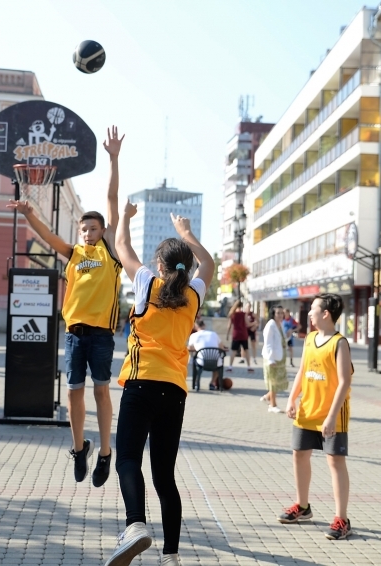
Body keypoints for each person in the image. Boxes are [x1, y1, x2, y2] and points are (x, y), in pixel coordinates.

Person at [7, 126, 124, 487]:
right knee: (73, 392)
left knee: (101, 390)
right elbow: (46, 235)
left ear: (103, 231)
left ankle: (105, 451)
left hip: (102, 336)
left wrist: (113, 158)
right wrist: (28, 214)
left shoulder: (110, 252)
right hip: (74, 335)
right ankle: (79, 449)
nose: (87, 232)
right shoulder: (73, 254)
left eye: (92, 228)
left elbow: (111, 200)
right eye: (83, 228)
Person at [103, 203, 213, 566]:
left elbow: (121, 245)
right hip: (175, 391)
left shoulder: (147, 282)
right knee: (165, 476)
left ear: (160, 266)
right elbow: (209, 264)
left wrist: (126, 219)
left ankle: (135, 525)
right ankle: (171, 557)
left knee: (128, 460)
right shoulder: (193, 295)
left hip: (140, 383)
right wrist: (187, 235)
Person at [280, 293, 353, 540]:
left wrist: (332, 417)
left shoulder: (340, 343)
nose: (309, 313)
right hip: (307, 410)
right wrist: (292, 398)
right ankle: (302, 506)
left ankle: (341, 519)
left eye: (313, 309)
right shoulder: (310, 338)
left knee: (335, 462)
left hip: (332, 414)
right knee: (299, 455)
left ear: (326, 314)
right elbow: (302, 370)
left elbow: (344, 382)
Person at [262, 307, 288, 413]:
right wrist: (270, 359)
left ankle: (267, 397)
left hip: (280, 357)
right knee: (273, 381)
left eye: (282, 313)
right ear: (273, 314)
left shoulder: (280, 324)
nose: (280, 315)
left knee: (278, 381)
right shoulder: (270, 325)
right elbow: (268, 343)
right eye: (278, 313)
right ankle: (272, 405)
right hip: (272, 358)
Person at [188, 320, 225, 390]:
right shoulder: (213, 334)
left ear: (196, 327)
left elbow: (189, 348)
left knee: (192, 360)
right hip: (215, 361)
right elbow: (222, 347)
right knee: (219, 361)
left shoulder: (193, 335)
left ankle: (196, 382)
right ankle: (212, 383)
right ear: (204, 326)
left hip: (201, 361)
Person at [225, 300, 253, 373]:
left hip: (236, 334)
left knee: (233, 351)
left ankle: (230, 366)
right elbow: (248, 324)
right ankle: (249, 366)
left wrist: (227, 335)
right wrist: (254, 323)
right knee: (246, 350)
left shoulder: (232, 314)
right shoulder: (244, 314)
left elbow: (229, 326)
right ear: (242, 306)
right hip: (243, 334)